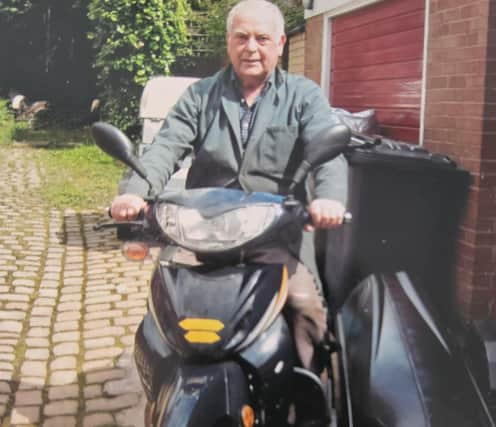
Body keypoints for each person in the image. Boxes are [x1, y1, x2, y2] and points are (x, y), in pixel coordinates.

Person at [109, 0, 347, 372]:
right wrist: (135, 192)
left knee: (305, 308)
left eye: (262, 38)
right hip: (203, 233)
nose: (251, 47)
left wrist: (329, 198)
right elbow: (167, 145)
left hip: (275, 235)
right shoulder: (200, 95)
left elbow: (327, 150)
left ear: (281, 43)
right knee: (166, 306)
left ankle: (306, 397)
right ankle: (166, 382)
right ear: (229, 42)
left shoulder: (304, 96)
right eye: (242, 37)